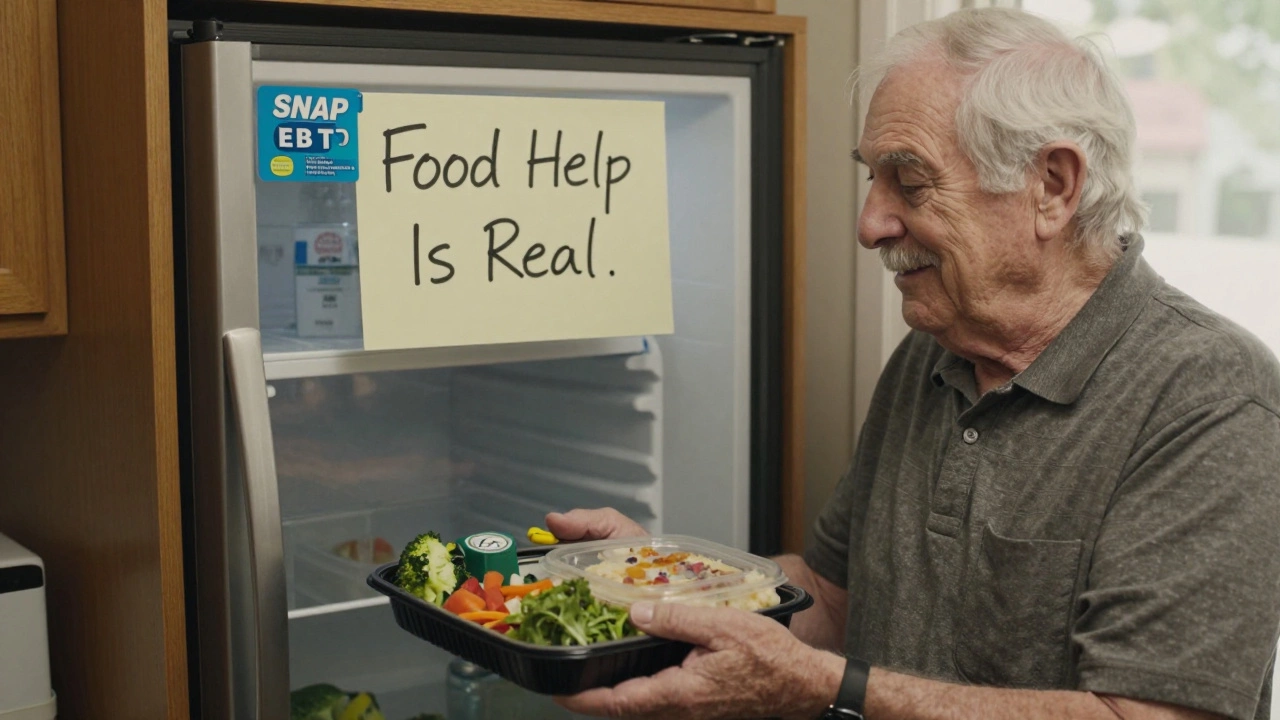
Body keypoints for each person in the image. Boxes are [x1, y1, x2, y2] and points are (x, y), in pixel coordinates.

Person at [540, 7, 1280, 720]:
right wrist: (659, 581)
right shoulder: (933, 352)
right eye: (871, 176)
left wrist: (828, 691)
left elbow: (1140, 715)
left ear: (1052, 186)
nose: (870, 223)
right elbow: (828, 601)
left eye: (910, 181)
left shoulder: (1212, 400)